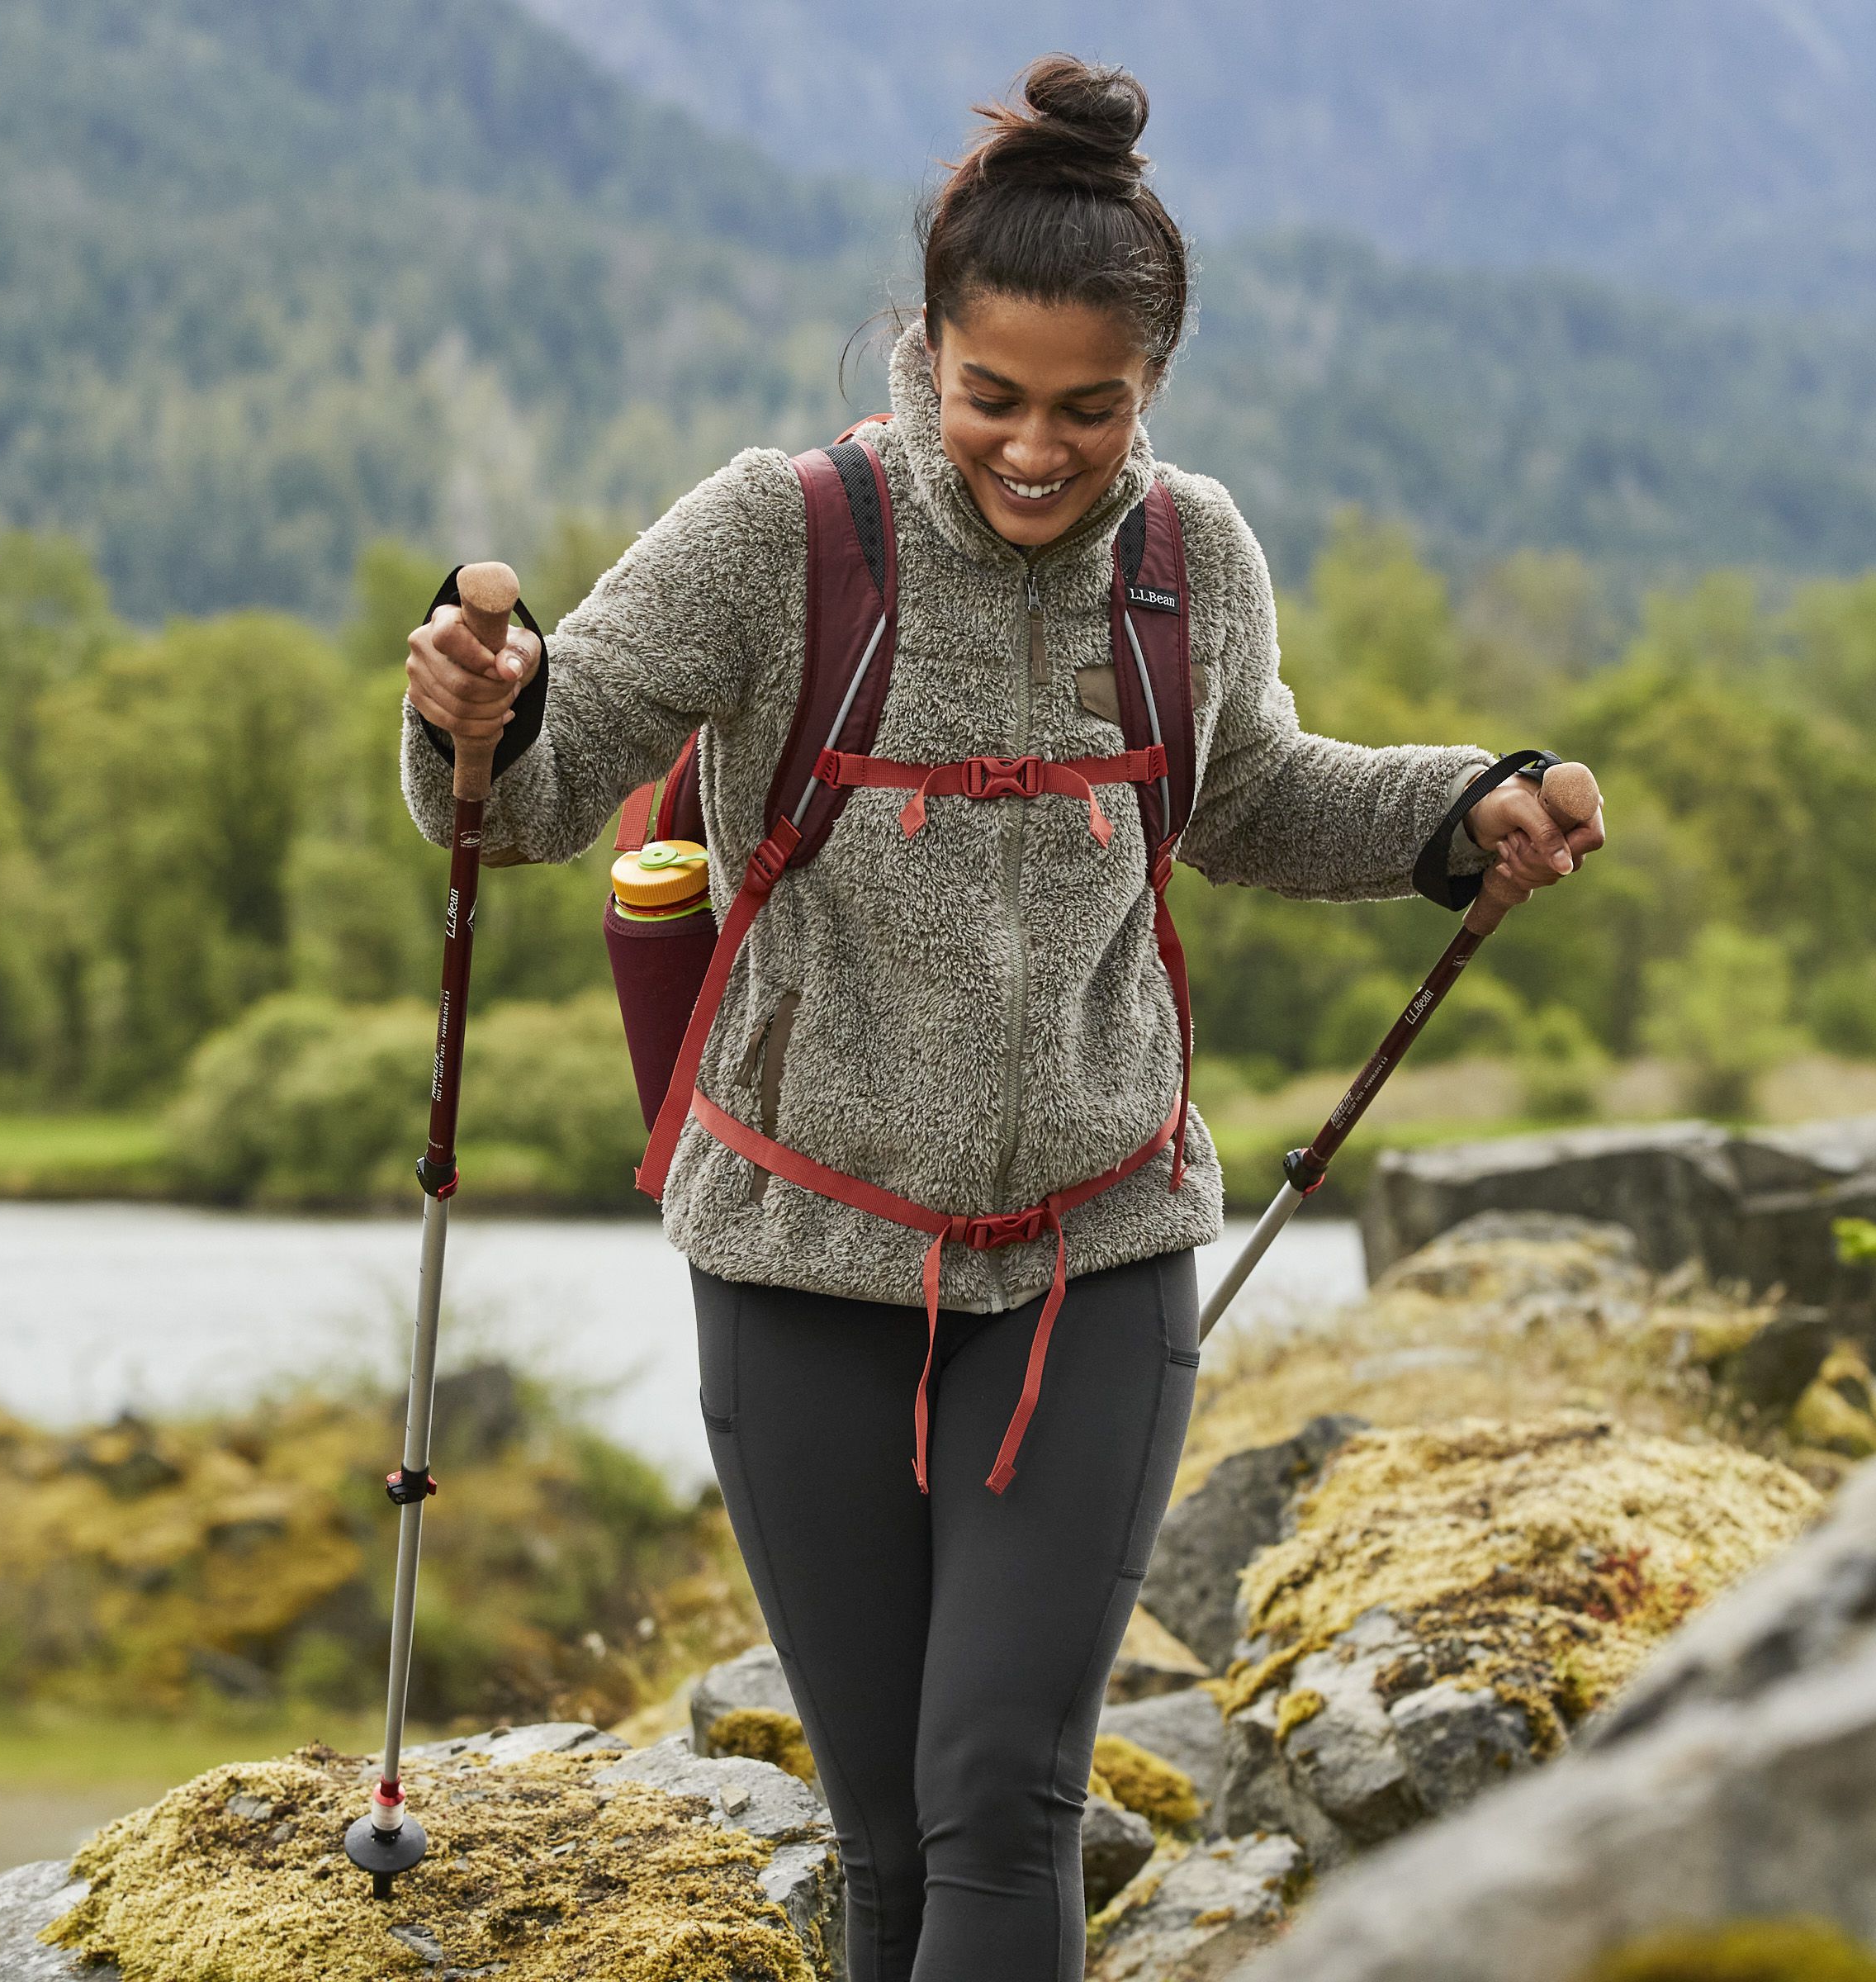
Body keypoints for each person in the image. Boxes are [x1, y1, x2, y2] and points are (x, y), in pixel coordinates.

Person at [400, 55, 1604, 1982]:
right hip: (800, 1247)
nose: (1037, 450)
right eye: (993, 399)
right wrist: (478, 707)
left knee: (1001, 1792)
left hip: (1094, 1247)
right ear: (922, 354)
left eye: (1090, 409)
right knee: (886, 1834)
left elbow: (1247, 795)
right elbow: (529, 796)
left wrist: (1462, 811)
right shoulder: (776, 540)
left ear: (1152, 388)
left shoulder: (1189, 556)